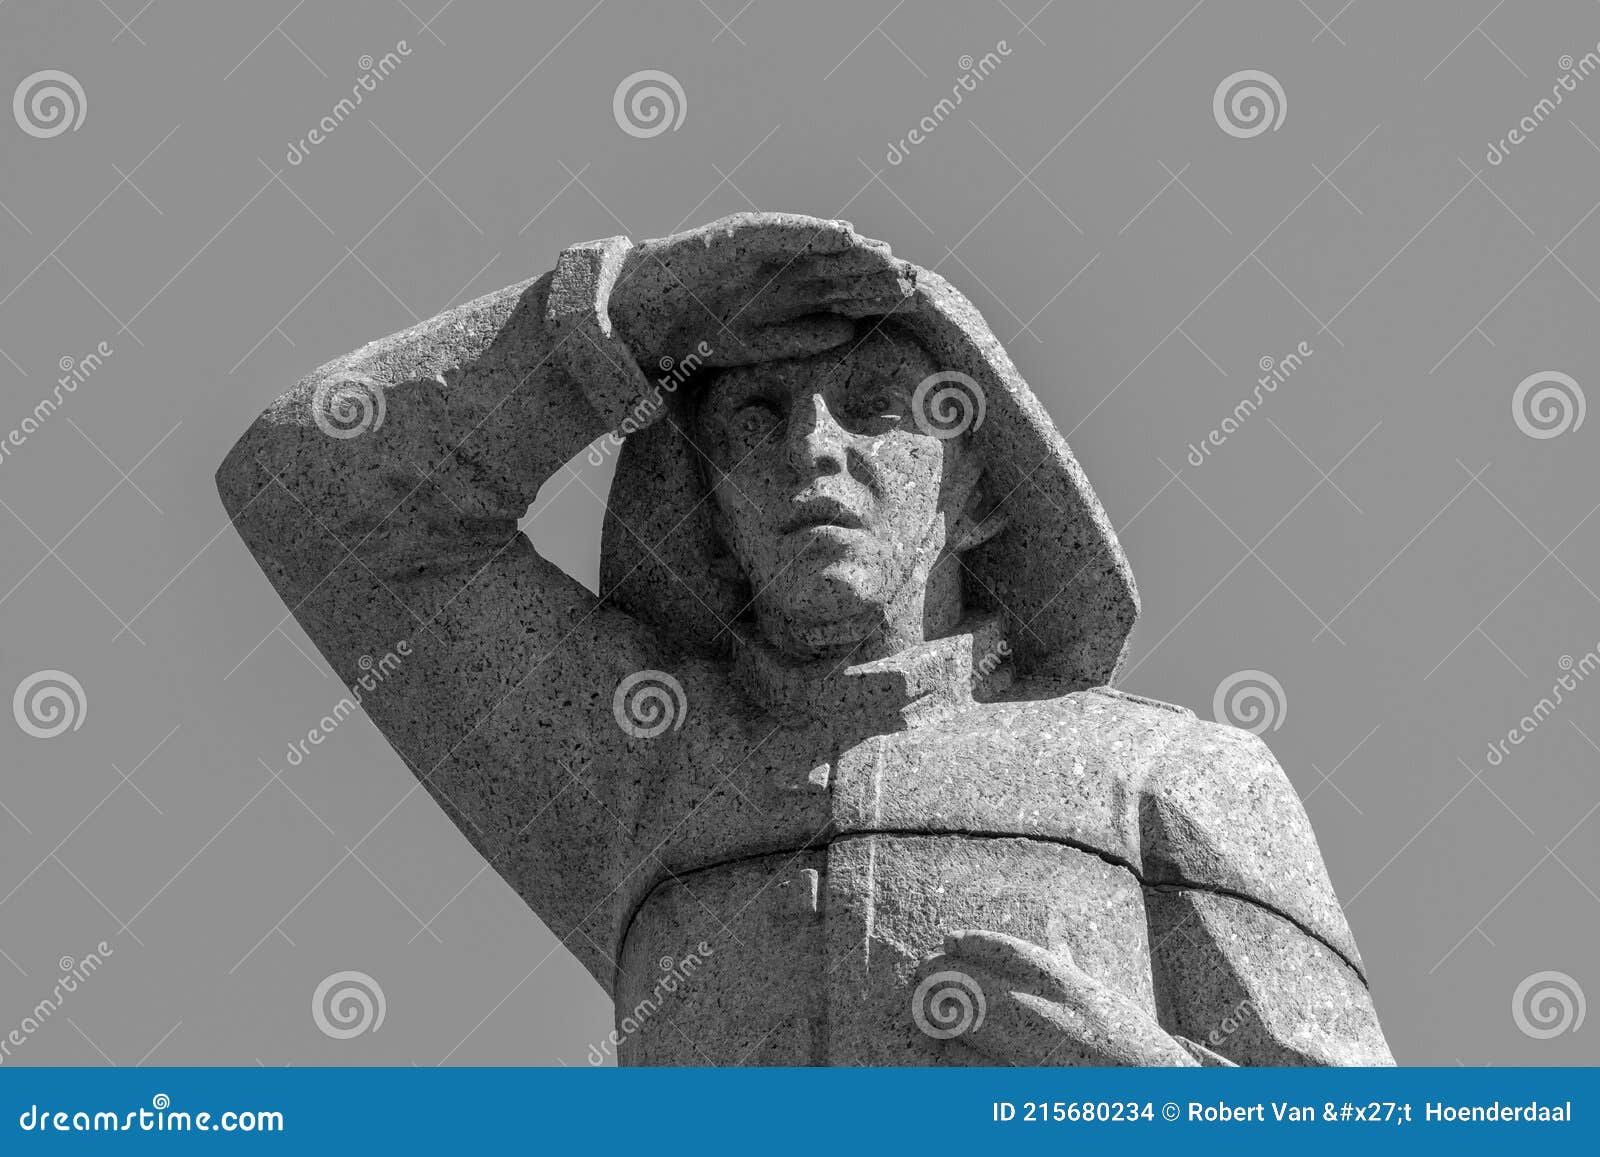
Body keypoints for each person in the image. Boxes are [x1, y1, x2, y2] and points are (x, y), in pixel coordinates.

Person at [217, 213, 1392, 1065]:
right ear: (715, 500)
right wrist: (631, 312)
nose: (813, 451)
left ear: (979, 490)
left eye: (878, 409)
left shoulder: (1165, 774)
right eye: (755, 419)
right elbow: (314, 487)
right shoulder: (642, 764)